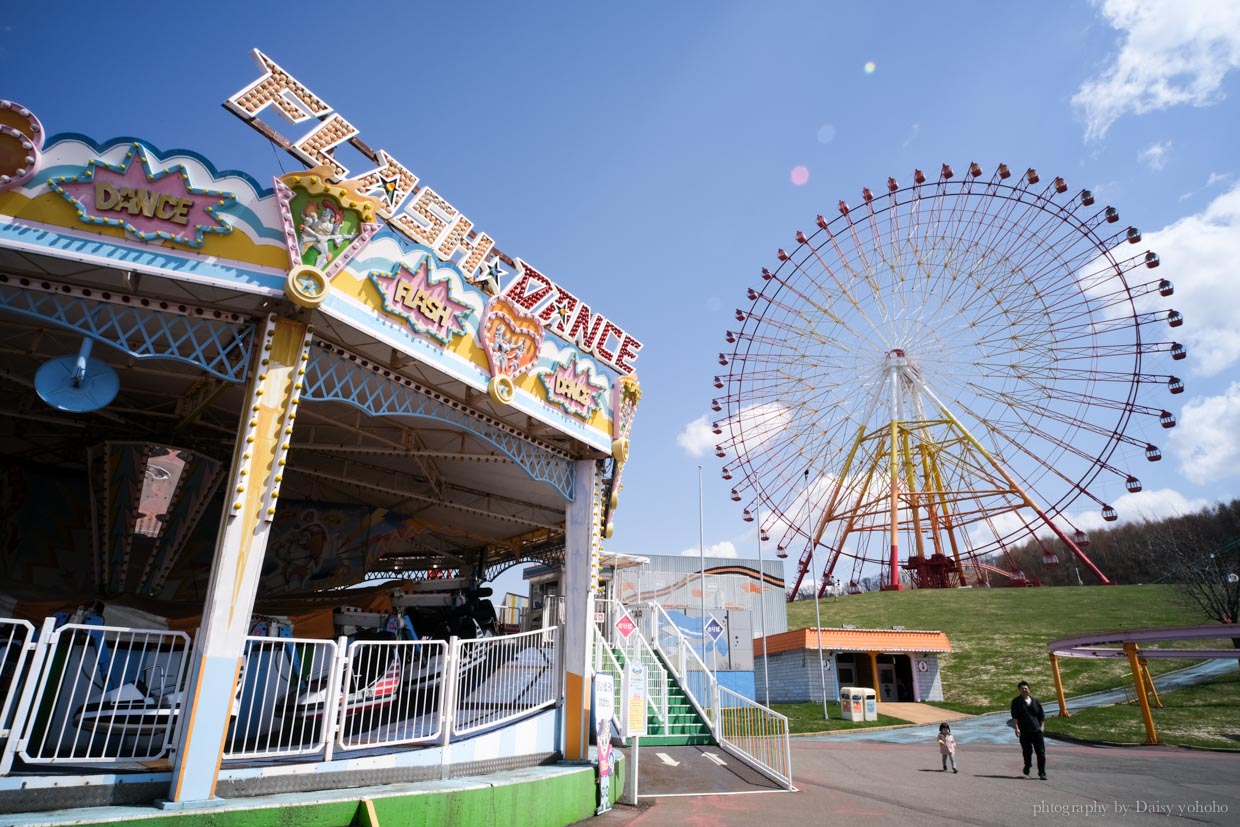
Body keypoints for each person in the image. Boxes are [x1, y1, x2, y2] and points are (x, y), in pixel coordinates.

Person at [1010, 679, 1047, 779]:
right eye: (1022, 689)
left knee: (1041, 753)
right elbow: (1015, 716)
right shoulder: (1016, 702)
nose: (1024, 690)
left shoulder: (1035, 701)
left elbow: (1041, 715)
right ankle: (1027, 765)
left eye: (1026, 688)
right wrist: (1016, 728)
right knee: (1027, 751)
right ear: (1019, 690)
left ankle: (1042, 772)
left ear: (1029, 689)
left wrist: (1042, 727)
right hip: (1024, 731)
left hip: (1037, 731)